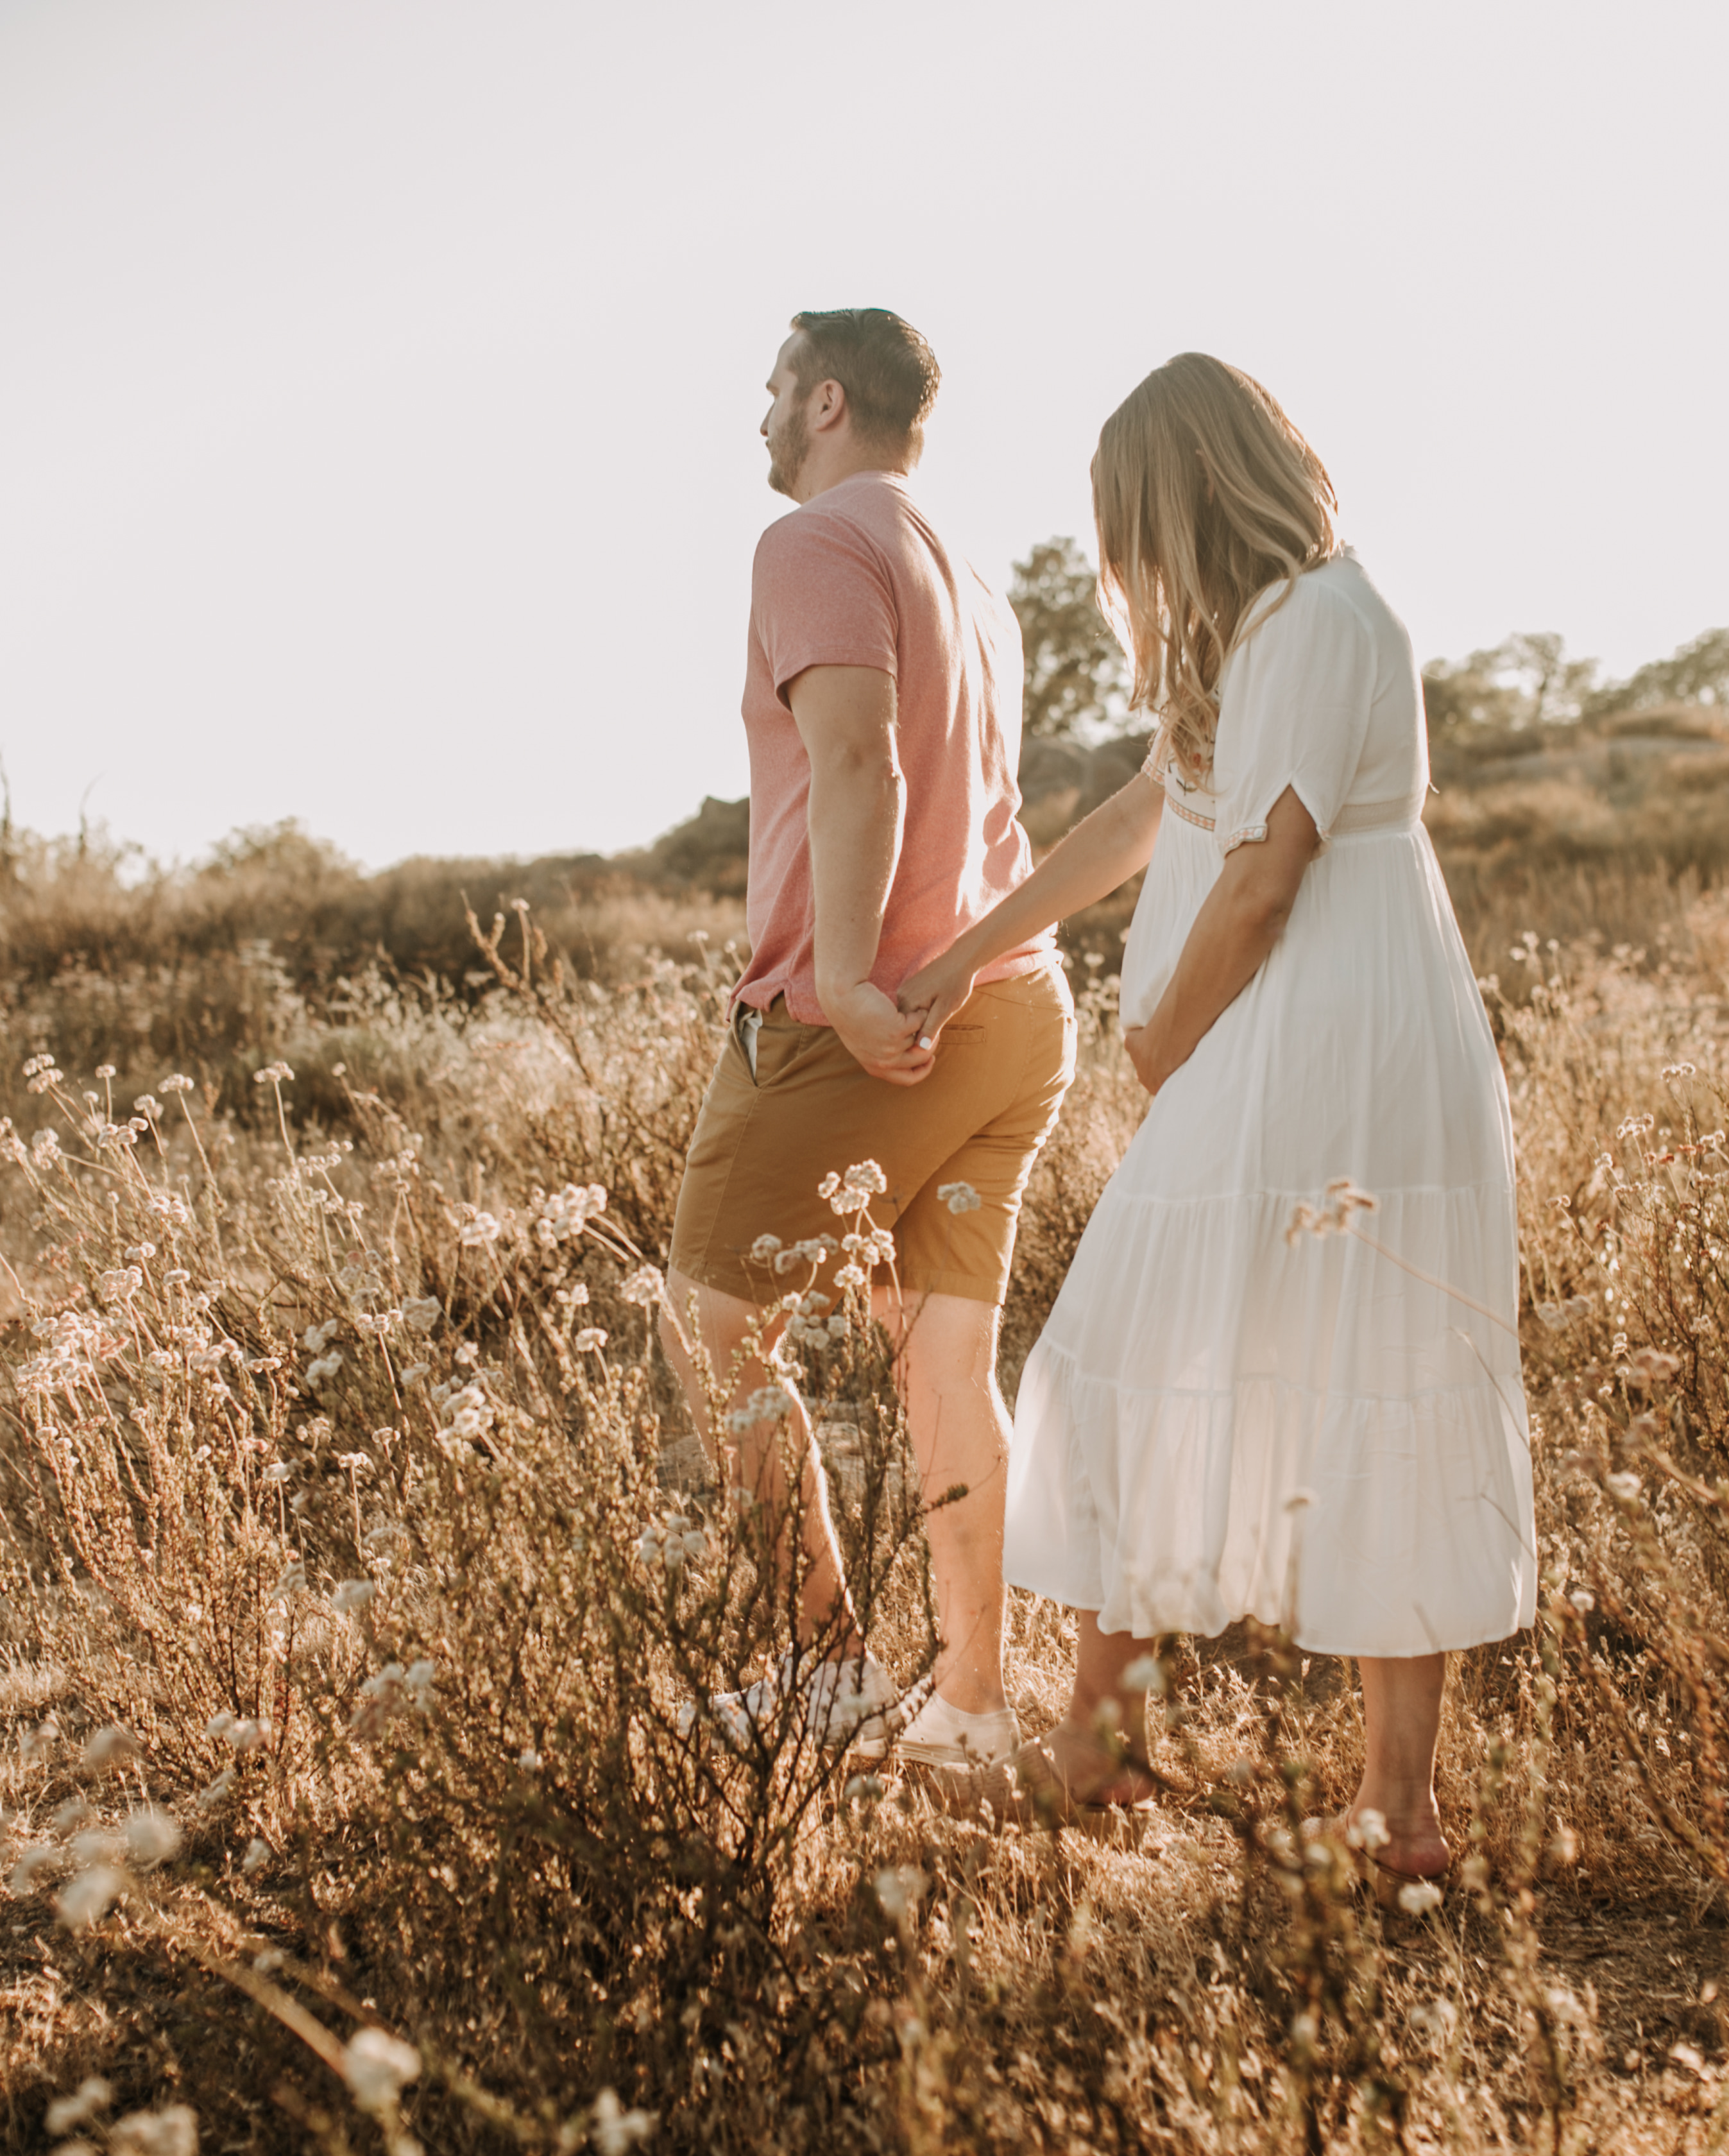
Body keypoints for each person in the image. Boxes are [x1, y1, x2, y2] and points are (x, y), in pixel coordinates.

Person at [896, 354, 1535, 1881]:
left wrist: (1164, 1041)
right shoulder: (1244, 638)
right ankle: (1103, 1749)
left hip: (1331, 1030)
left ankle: (1396, 1811)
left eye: (1129, 522)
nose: (1122, 559)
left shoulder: (1325, 614)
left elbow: (1265, 873)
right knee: (1150, 1348)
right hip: (1279, 1027)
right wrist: (964, 955)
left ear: (1184, 496)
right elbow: (1146, 818)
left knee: (1367, 1367)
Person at [659, 308, 1075, 1772]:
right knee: (946, 1365)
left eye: (775, 388)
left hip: (872, 1022)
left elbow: (856, 756)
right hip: (1011, 1008)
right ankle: (969, 1708)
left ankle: (832, 1673)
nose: (761, 415)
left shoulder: (813, 544)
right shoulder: (972, 576)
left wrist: (840, 976)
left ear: (827, 399)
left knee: (711, 1337)